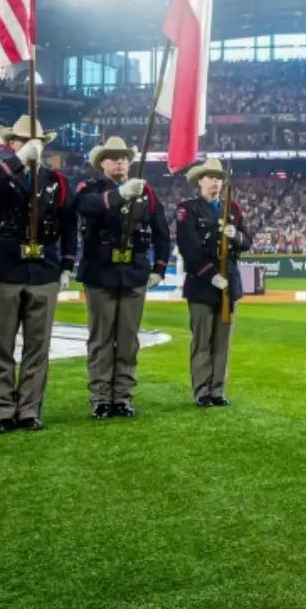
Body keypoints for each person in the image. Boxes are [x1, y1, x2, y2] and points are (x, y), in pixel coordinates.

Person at [0, 115, 78, 434]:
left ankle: (30, 409)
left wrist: (67, 265)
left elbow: (68, 225)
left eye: (37, 142)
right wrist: (19, 161)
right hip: (5, 267)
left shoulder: (56, 181)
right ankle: (2, 410)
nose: (33, 146)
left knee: (38, 346)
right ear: (12, 144)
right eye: (23, 141)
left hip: (44, 270)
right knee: (0, 345)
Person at [75, 137, 171, 420]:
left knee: (128, 340)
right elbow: (86, 207)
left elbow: (162, 233)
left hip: (133, 273)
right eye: (113, 157)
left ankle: (123, 397)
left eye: (124, 157)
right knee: (101, 339)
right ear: (101, 162)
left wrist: (159, 268)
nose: (120, 161)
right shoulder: (89, 188)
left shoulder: (147, 193)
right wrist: (119, 195)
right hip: (100, 273)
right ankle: (101, 398)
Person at [174, 158, 252, 408]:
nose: (215, 181)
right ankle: (202, 391)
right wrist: (210, 275)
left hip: (229, 283)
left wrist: (236, 236)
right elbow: (189, 248)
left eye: (219, 177)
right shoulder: (189, 209)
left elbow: (248, 241)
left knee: (222, 342)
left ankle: (218, 390)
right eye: (210, 177)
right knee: (202, 341)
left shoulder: (234, 209)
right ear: (200, 181)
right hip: (201, 283)